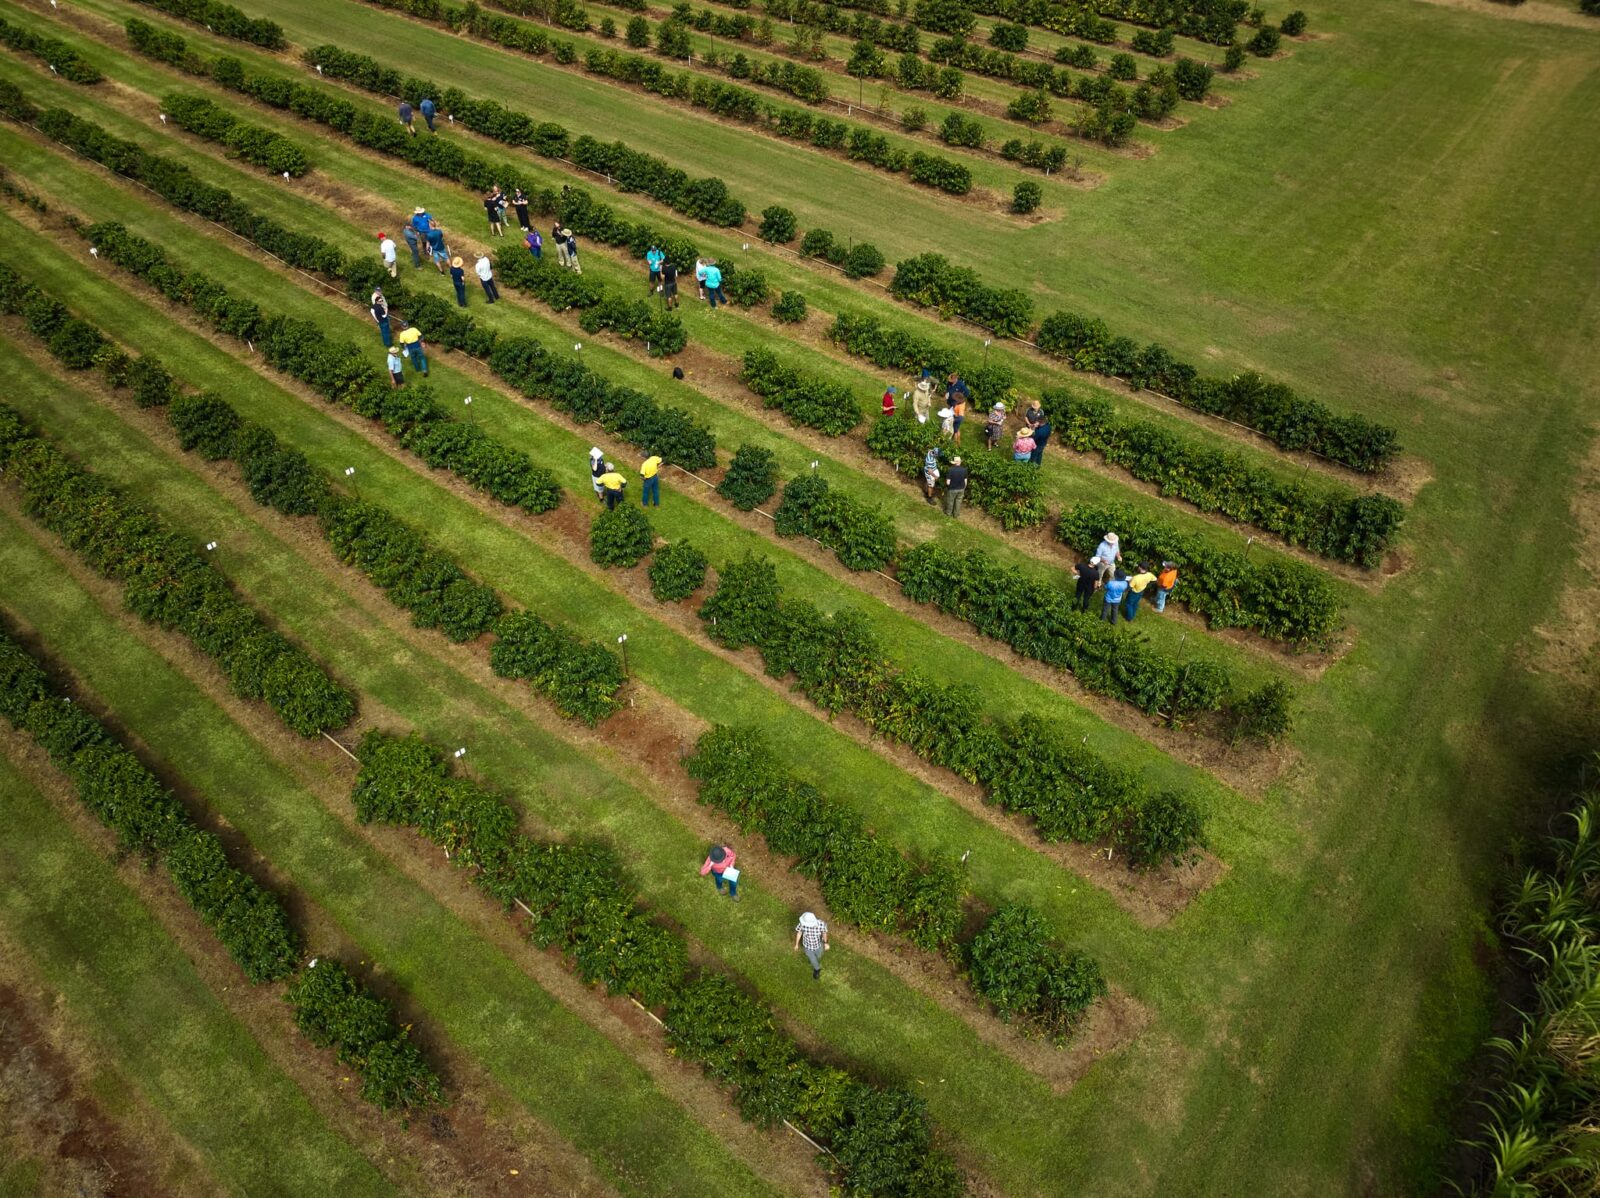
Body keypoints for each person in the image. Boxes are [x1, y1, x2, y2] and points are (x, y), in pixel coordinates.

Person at [795, 911, 829, 980]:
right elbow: (799, 933)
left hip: (818, 945)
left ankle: (814, 960)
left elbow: (824, 933)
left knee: (819, 955)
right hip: (807, 947)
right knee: (812, 959)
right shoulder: (802, 924)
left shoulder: (821, 924)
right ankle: (817, 969)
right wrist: (796, 944)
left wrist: (825, 943)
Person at [946, 373, 970, 443]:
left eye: (951, 380)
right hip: (950, 403)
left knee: (955, 427)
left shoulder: (961, 384)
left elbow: (967, 392)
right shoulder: (949, 383)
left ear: (955, 379)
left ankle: (955, 440)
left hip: (956, 403)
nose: (950, 382)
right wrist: (947, 393)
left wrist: (960, 398)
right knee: (950, 418)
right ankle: (952, 434)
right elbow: (948, 389)